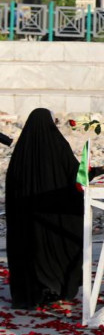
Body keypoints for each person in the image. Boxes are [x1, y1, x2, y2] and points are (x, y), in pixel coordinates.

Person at [5, 108, 83, 309]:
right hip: (54, 219)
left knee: (28, 248)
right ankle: (58, 288)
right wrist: (101, 171)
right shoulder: (59, 147)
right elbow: (77, 176)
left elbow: (12, 190)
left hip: (27, 223)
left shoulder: (21, 153)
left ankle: (33, 292)